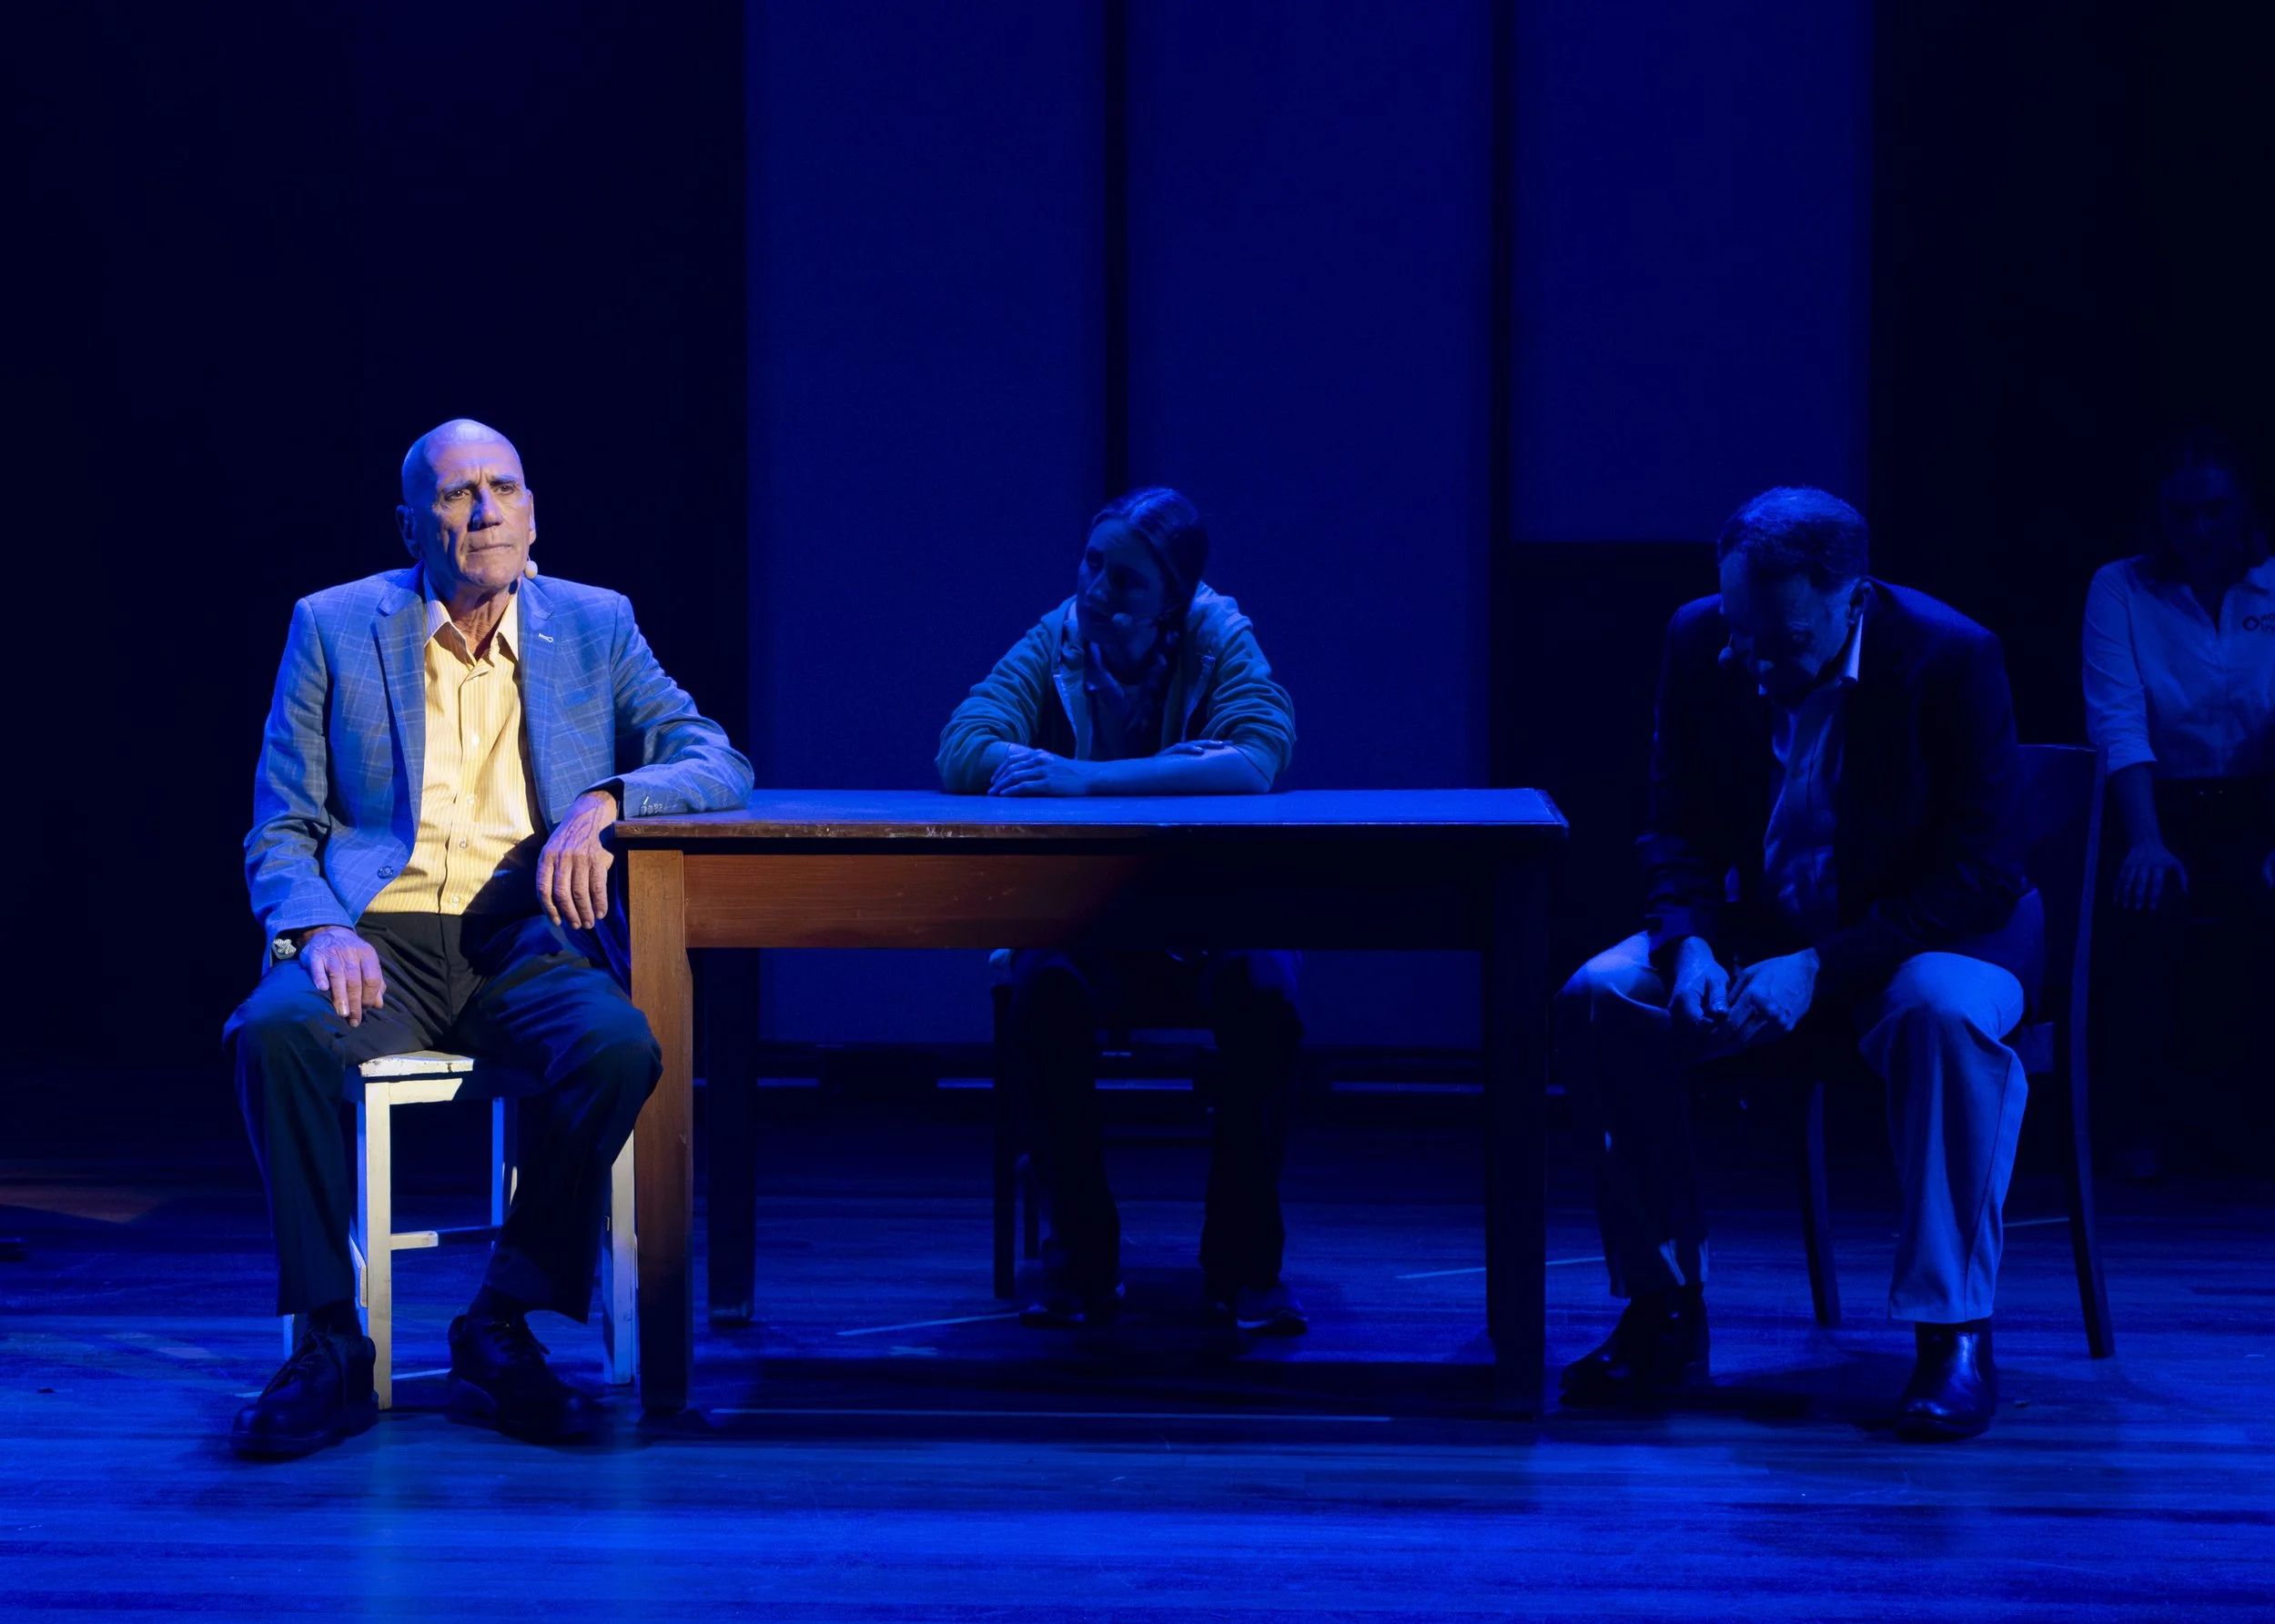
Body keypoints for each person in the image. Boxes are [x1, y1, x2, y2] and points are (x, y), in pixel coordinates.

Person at [226, 419, 753, 1458]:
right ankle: (331, 1341)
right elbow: (281, 824)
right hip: (376, 942)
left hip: (522, 939)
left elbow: (713, 756)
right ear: (411, 523)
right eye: (458, 493)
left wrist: (606, 803)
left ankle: (500, 1321)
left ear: (533, 511)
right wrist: (321, 925)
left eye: (503, 488)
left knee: (619, 1046)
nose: (483, 511)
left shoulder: (594, 626)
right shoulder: (334, 625)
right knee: (270, 1034)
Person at [1553, 487, 2040, 1441]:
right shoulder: (1701, 641)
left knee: (1942, 1013)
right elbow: (1673, 827)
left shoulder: (1951, 657)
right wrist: (1688, 941)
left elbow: (1984, 873)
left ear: (1850, 597)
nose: (1747, 658)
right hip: (1772, 926)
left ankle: (1951, 1331)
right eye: (1738, 628)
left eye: (1776, 640)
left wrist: (1818, 965)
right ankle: (1663, 1311)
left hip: (1937, 931)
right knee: (1602, 995)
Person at [936, 488, 1306, 1334]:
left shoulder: (1218, 635)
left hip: (1212, 911)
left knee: (1266, 1000)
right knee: (1044, 995)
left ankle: (1245, 1267)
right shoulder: (1059, 634)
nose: (1098, 588)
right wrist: (1164, 767)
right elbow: (964, 741)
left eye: (1126, 579)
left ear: (1171, 598)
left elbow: (1254, 759)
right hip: (1090, 912)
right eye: (1092, 563)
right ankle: (1080, 1258)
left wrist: (1088, 779)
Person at [2081, 431, 2275, 1179]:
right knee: (2143, 910)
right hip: (2154, 802)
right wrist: (2145, 840)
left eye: (2215, 510)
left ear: (2242, 509)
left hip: (2256, 802)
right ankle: (2141, 1125)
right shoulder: (2121, 587)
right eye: (2182, 512)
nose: (2199, 529)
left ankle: (2249, 1126)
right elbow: (2118, 718)